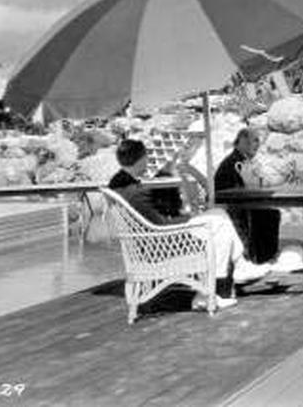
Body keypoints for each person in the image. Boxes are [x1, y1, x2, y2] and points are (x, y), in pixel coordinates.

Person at [108, 138, 269, 310]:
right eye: (147, 156)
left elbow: (154, 221)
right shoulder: (135, 192)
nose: (148, 161)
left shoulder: (119, 184)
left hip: (147, 243)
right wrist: (191, 219)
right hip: (160, 245)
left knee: (218, 215)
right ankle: (213, 289)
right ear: (141, 158)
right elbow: (161, 224)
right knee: (218, 222)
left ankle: (239, 265)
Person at [215, 128, 283, 265]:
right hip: (233, 207)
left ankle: (263, 257)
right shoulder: (236, 163)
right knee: (269, 215)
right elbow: (242, 189)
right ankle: (263, 258)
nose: (258, 145)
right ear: (243, 142)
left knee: (271, 213)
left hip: (239, 203)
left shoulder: (239, 160)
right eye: (255, 141)